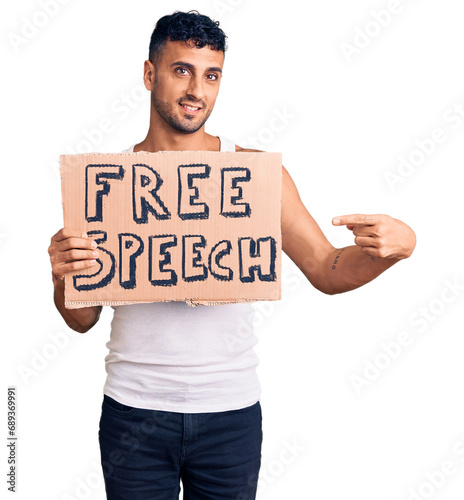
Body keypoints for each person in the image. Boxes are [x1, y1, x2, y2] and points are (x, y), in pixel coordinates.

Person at [48, 10, 416, 500]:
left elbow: (327, 269)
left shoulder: (254, 176)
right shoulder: (106, 186)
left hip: (231, 416)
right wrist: (62, 278)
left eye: (211, 75)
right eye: (182, 70)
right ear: (149, 74)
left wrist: (394, 250)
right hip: (134, 415)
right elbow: (82, 319)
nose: (197, 89)